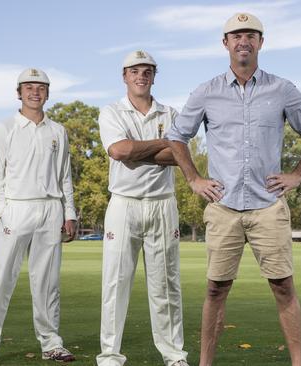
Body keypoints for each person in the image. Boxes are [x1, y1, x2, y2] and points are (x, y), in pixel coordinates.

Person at [167, 13, 301, 366]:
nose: (244, 41)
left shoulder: (282, 89)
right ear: (225, 43)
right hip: (223, 206)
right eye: (237, 35)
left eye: (251, 35)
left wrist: (298, 174)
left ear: (260, 42)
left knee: (283, 287)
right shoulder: (206, 91)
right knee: (215, 289)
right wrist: (194, 178)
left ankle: (298, 363)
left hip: (268, 206)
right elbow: (177, 135)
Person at [0, 68, 78, 366]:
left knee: (47, 282)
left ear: (47, 92)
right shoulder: (5, 128)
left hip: (50, 209)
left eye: (41, 87)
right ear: (19, 92)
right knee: (2, 279)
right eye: (29, 87)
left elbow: (65, 177)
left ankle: (51, 343)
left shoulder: (58, 131)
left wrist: (68, 213)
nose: (35, 92)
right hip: (16, 209)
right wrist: (4, 212)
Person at [95, 50, 188, 366]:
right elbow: (119, 150)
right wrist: (160, 145)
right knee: (115, 282)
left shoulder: (170, 113)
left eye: (147, 71)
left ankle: (173, 354)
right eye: (134, 71)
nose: (140, 76)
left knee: (166, 284)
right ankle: (109, 355)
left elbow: (178, 156)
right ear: (124, 76)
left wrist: (137, 151)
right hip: (124, 203)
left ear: (153, 75)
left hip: (162, 204)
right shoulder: (111, 112)